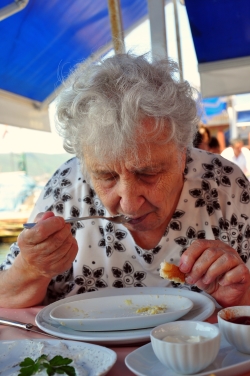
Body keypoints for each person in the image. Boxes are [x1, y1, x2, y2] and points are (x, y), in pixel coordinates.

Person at [1, 53, 250, 309]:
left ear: (182, 153)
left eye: (148, 173)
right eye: (107, 176)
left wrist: (241, 297)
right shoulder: (67, 187)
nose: (129, 204)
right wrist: (31, 268)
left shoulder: (224, 185)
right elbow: (5, 299)